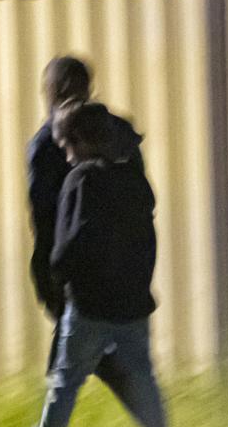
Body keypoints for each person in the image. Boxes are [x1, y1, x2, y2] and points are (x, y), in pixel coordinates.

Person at [25, 100, 179, 427]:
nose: (64, 154)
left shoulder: (81, 180)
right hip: (132, 303)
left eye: (65, 145)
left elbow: (68, 243)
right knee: (142, 375)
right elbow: (146, 239)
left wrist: (61, 277)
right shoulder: (133, 180)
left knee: (66, 381)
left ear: (79, 140)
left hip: (87, 305)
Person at [26, 56, 144, 371]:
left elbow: (44, 218)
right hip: (122, 266)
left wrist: (51, 272)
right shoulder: (118, 133)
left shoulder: (48, 143)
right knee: (114, 359)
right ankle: (151, 416)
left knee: (72, 364)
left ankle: (52, 420)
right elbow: (141, 200)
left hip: (76, 272)